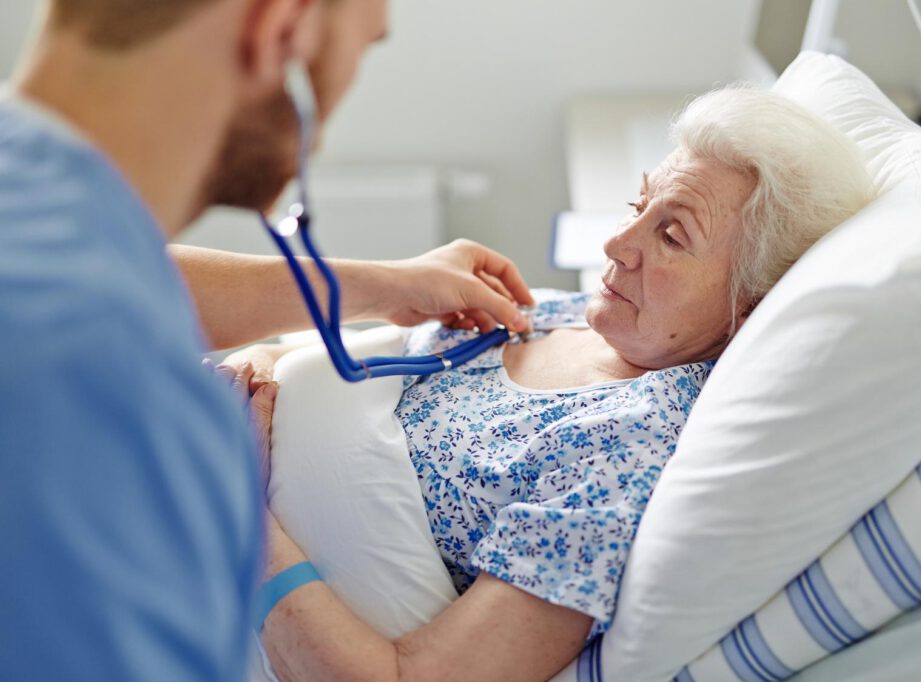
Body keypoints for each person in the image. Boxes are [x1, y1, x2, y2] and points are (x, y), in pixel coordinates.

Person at [227, 86, 878, 681]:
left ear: (751, 307)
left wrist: (236, 509)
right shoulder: (555, 313)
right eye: (638, 206)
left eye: (672, 235)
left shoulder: (621, 456)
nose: (617, 243)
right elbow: (325, 367)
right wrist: (254, 373)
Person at [0, 0, 534, 680]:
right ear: (280, 28)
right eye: (360, 49)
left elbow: (108, 261)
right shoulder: (122, 409)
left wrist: (383, 285)